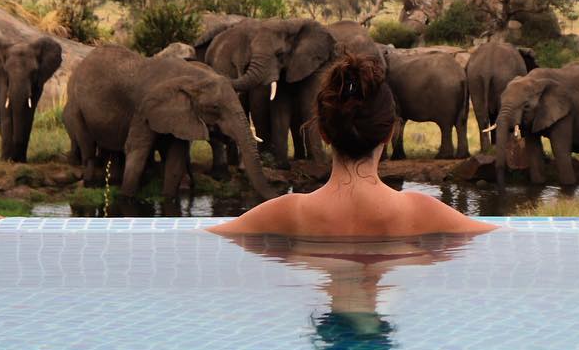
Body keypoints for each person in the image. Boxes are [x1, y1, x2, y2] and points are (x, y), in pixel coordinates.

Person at [209, 53, 496, 237]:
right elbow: (502, 237)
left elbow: (202, 237)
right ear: (389, 134)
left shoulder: (283, 214)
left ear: (323, 132)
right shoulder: (425, 213)